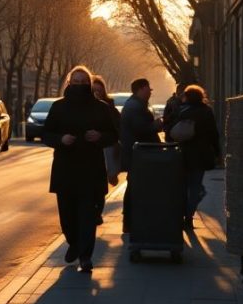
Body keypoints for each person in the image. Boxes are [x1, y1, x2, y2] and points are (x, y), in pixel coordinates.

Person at [43, 66, 118, 273]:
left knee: (87, 217)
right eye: (75, 82)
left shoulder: (101, 108)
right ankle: (74, 243)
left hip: (90, 170)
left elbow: (113, 135)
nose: (79, 85)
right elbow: (46, 134)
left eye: (83, 82)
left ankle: (85, 256)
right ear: (69, 83)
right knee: (67, 217)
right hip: (65, 170)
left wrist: (99, 136)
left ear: (89, 84)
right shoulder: (58, 107)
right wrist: (61, 139)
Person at [174, 84, 221, 229]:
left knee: (182, 186)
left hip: (183, 155)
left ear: (187, 97)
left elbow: (173, 130)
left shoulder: (182, 111)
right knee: (195, 187)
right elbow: (214, 134)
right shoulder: (207, 112)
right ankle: (189, 216)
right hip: (200, 155)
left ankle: (181, 214)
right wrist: (218, 152)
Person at [119, 77, 159, 233]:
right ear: (141, 89)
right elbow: (141, 130)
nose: (150, 91)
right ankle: (130, 222)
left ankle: (129, 221)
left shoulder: (134, 104)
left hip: (138, 155)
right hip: (139, 156)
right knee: (135, 189)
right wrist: (157, 125)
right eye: (149, 88)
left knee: (133, 187)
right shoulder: (135, 107)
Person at [91, 75, 122, 223]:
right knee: (92, 185)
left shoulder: (110, 107)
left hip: (106, 150)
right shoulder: (85, 107)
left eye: (99, 90)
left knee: (101, 186)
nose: (97, 93)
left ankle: (97, 212)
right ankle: (92, 213)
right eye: (94, 90)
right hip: (90, 152)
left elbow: (116, 130)